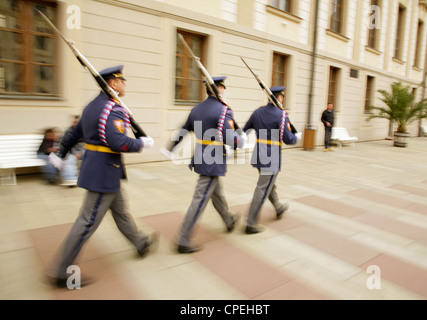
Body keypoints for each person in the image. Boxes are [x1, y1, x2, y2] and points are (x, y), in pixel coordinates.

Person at [47, 65, 158, 288]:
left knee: (121, 211)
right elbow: (117, 142)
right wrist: (140, 143)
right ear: (113, 83)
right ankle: (62, 271)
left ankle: (140, 242)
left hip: (102, 170)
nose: (125, 84)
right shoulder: (112, 109)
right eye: (122, 81)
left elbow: (73, 133)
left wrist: (61, 153)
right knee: (86, 222)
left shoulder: (91, 107)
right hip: (103, 172)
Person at [161, 76, 245, 254]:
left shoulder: (197, 109)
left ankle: (228, 220)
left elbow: (183, 130)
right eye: (223, 88)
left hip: (201, 155)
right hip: (213, 159)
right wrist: (240, 141)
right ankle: (183, 238)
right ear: (220, 89)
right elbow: (231, 138)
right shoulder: (223, 111)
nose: (224, 91)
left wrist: (171, 148)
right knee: (200, 199)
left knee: (216, 192)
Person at [243, 86, 300, 234]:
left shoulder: (257, 112)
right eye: (282, 97)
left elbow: (244, 130)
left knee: (269, 184)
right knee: (263, 188)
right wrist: (296, 137)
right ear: (279, 97)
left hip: (259, 154)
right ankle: (250, 222)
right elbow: (289, 139)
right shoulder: (281, 115)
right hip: (271, 156)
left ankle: (278, 207)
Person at [59, 115, 84, 187]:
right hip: (70, 151)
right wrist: (76, 152)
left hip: (82, 150)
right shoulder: (69, 132)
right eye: (74, 122)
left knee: (93, 156)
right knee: (70, 160)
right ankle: (71, 179)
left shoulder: (84, 131)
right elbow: (68, 144)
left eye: (77, 122)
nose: (74, 124)